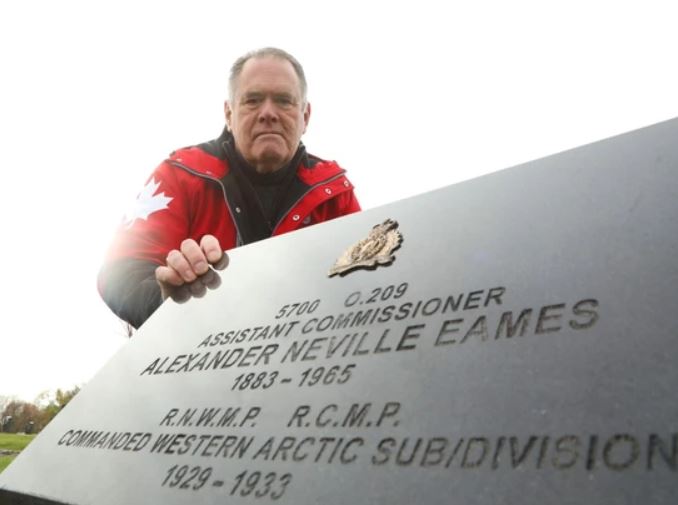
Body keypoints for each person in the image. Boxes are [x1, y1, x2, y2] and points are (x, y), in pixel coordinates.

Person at [98, 47, 360, 330]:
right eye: (253, 100)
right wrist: (168, 301)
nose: (268, 113)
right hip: (195, 362)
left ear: (305, 116)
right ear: (228, 113)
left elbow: (371, 277)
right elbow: (118, 272)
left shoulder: (335, 194)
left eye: (284, 101)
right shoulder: (180, 174)